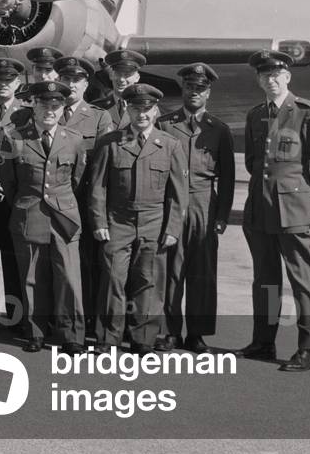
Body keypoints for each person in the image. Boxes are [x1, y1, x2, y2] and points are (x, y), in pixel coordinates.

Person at [238, 50, 310, 372]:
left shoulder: (307, 112)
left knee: (302, 279)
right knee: (265, 279)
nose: (271, 80)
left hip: (291, 209)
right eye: (264, 75)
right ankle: (264, 341)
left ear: (287, 77)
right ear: (258, 80)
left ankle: (307, 348)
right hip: (260, 209)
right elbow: (253, 163)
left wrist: (301, 194)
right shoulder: (255, 114)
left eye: (276, 74)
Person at [86, 83, 186, 354]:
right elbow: (98, 187)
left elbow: (178, 194)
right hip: (118, 221)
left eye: (146, 109)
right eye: (136, 109)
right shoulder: (110, 143)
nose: (141, 115)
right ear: (127, 109)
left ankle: (143, 339)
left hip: (154, 221)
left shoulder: (169, 145)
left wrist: (172, 228)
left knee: (148, 280)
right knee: (112, 279)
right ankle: (107, 338)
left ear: (155, 111)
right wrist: (99, 222)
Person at [0, 81, 87, 354]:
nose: (50, 110)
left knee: (69, 278)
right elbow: (8, 182)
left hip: (65, 217)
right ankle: (35, 331)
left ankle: (73, 335)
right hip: (30, 212)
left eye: (55, 106)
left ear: (62, 109)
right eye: (44, 104)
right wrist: (26, 204)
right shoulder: (14, 138)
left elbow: (78, 179)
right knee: (32, 277)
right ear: (33, 105)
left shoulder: (74, 139)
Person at [154, 63, 234, 352]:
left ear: (208, 93)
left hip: (203, 204)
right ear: (183, 89)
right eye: (189, 87)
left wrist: (222, 216)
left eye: (200, 88)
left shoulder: (219, 130)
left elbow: (227, 178)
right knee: (170, 270)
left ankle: (197, 334)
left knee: (202, 271)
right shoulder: (164, 124)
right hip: (172, 203)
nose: (194, 92)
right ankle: (170, 331)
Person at [53, 56, 114, 340]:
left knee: (88, 264)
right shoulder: (47, 112)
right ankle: (57, 320)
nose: (70, 84)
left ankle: (86, 320)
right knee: (54, 264)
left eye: (76, 80)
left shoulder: (100, 117)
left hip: (84, 201)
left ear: (86, 84)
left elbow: (102, 165)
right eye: (65, 79)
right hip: (54, 202)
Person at [0, 57, 31, 331]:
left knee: (13, 260)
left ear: (18, 83)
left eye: (9, 80)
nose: (3, 84)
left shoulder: (25, 114)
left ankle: (15, 317)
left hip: (13, 198)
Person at [95, 49, 147, 128]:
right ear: (111, 75)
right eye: (118, 73)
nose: (121, 79)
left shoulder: (148, 109)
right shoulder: (96, 108)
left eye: (127, 74)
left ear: (137, 78)